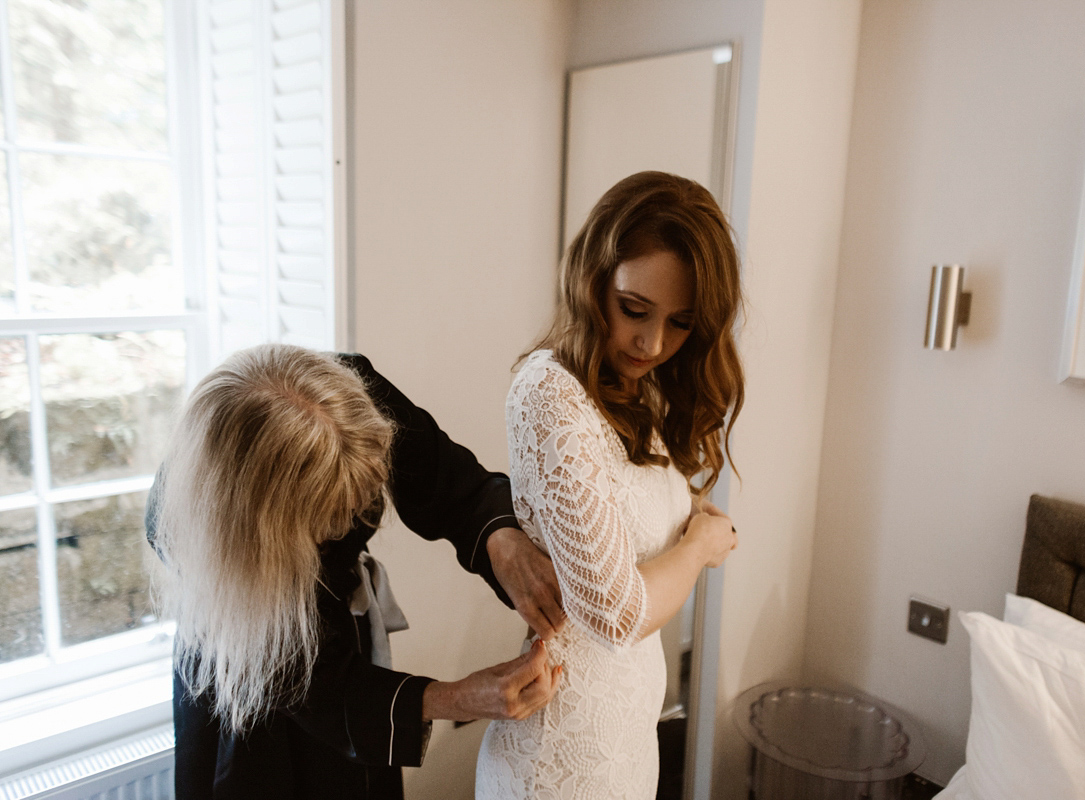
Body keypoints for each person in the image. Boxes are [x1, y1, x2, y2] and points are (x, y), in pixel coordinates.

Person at [146, 344, 567, 800]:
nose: (354, 521)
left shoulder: (342, 395)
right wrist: (456, 696)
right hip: (253, 692)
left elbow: (438, 470)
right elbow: (317, 686)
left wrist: (499, 537)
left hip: (338, 653)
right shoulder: (212, 536)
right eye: (332, 515)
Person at [475, 171, 744, 799]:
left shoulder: (631, 388)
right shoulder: (550, 393)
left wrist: (690, 510)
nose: (652, 343)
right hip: (561, 758)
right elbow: (615, 616)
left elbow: (636, 504)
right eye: (633, 310)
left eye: (680, 323)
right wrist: (699, 548)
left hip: (625, 743)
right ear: (592, 277)